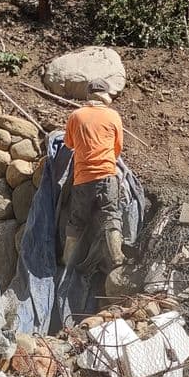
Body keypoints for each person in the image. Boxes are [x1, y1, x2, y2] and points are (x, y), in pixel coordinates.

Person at [62, 78, 125, 272]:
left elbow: (69, 144)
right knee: (111, 215)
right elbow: (118, 148)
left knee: (77, 221)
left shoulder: (76, 116)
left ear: (89, 95)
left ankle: (67, 261)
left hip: (82, 179)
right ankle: (116, 257)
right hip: (107, 175)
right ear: (105, 96)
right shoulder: (113, 116)